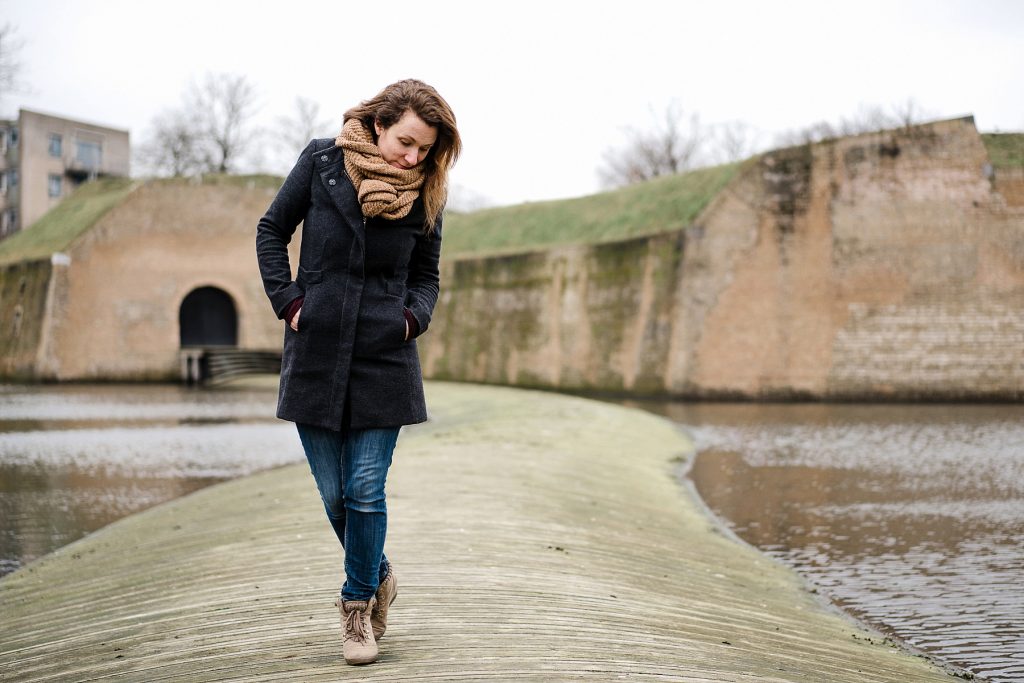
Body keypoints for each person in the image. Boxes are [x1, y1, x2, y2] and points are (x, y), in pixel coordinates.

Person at [256, 79, 461, 665]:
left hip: (383, 359)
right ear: (377, 126)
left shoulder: (429, 193)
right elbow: (272, 230)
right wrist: (290, 302)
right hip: (316, 352)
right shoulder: (321, 163)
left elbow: (428, 276)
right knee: (333, 495)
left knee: (364, 489)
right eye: (405, 142)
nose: (413, 158)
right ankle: (381, 571)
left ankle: (356, 607)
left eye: (424, 149)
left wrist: (409, 321)